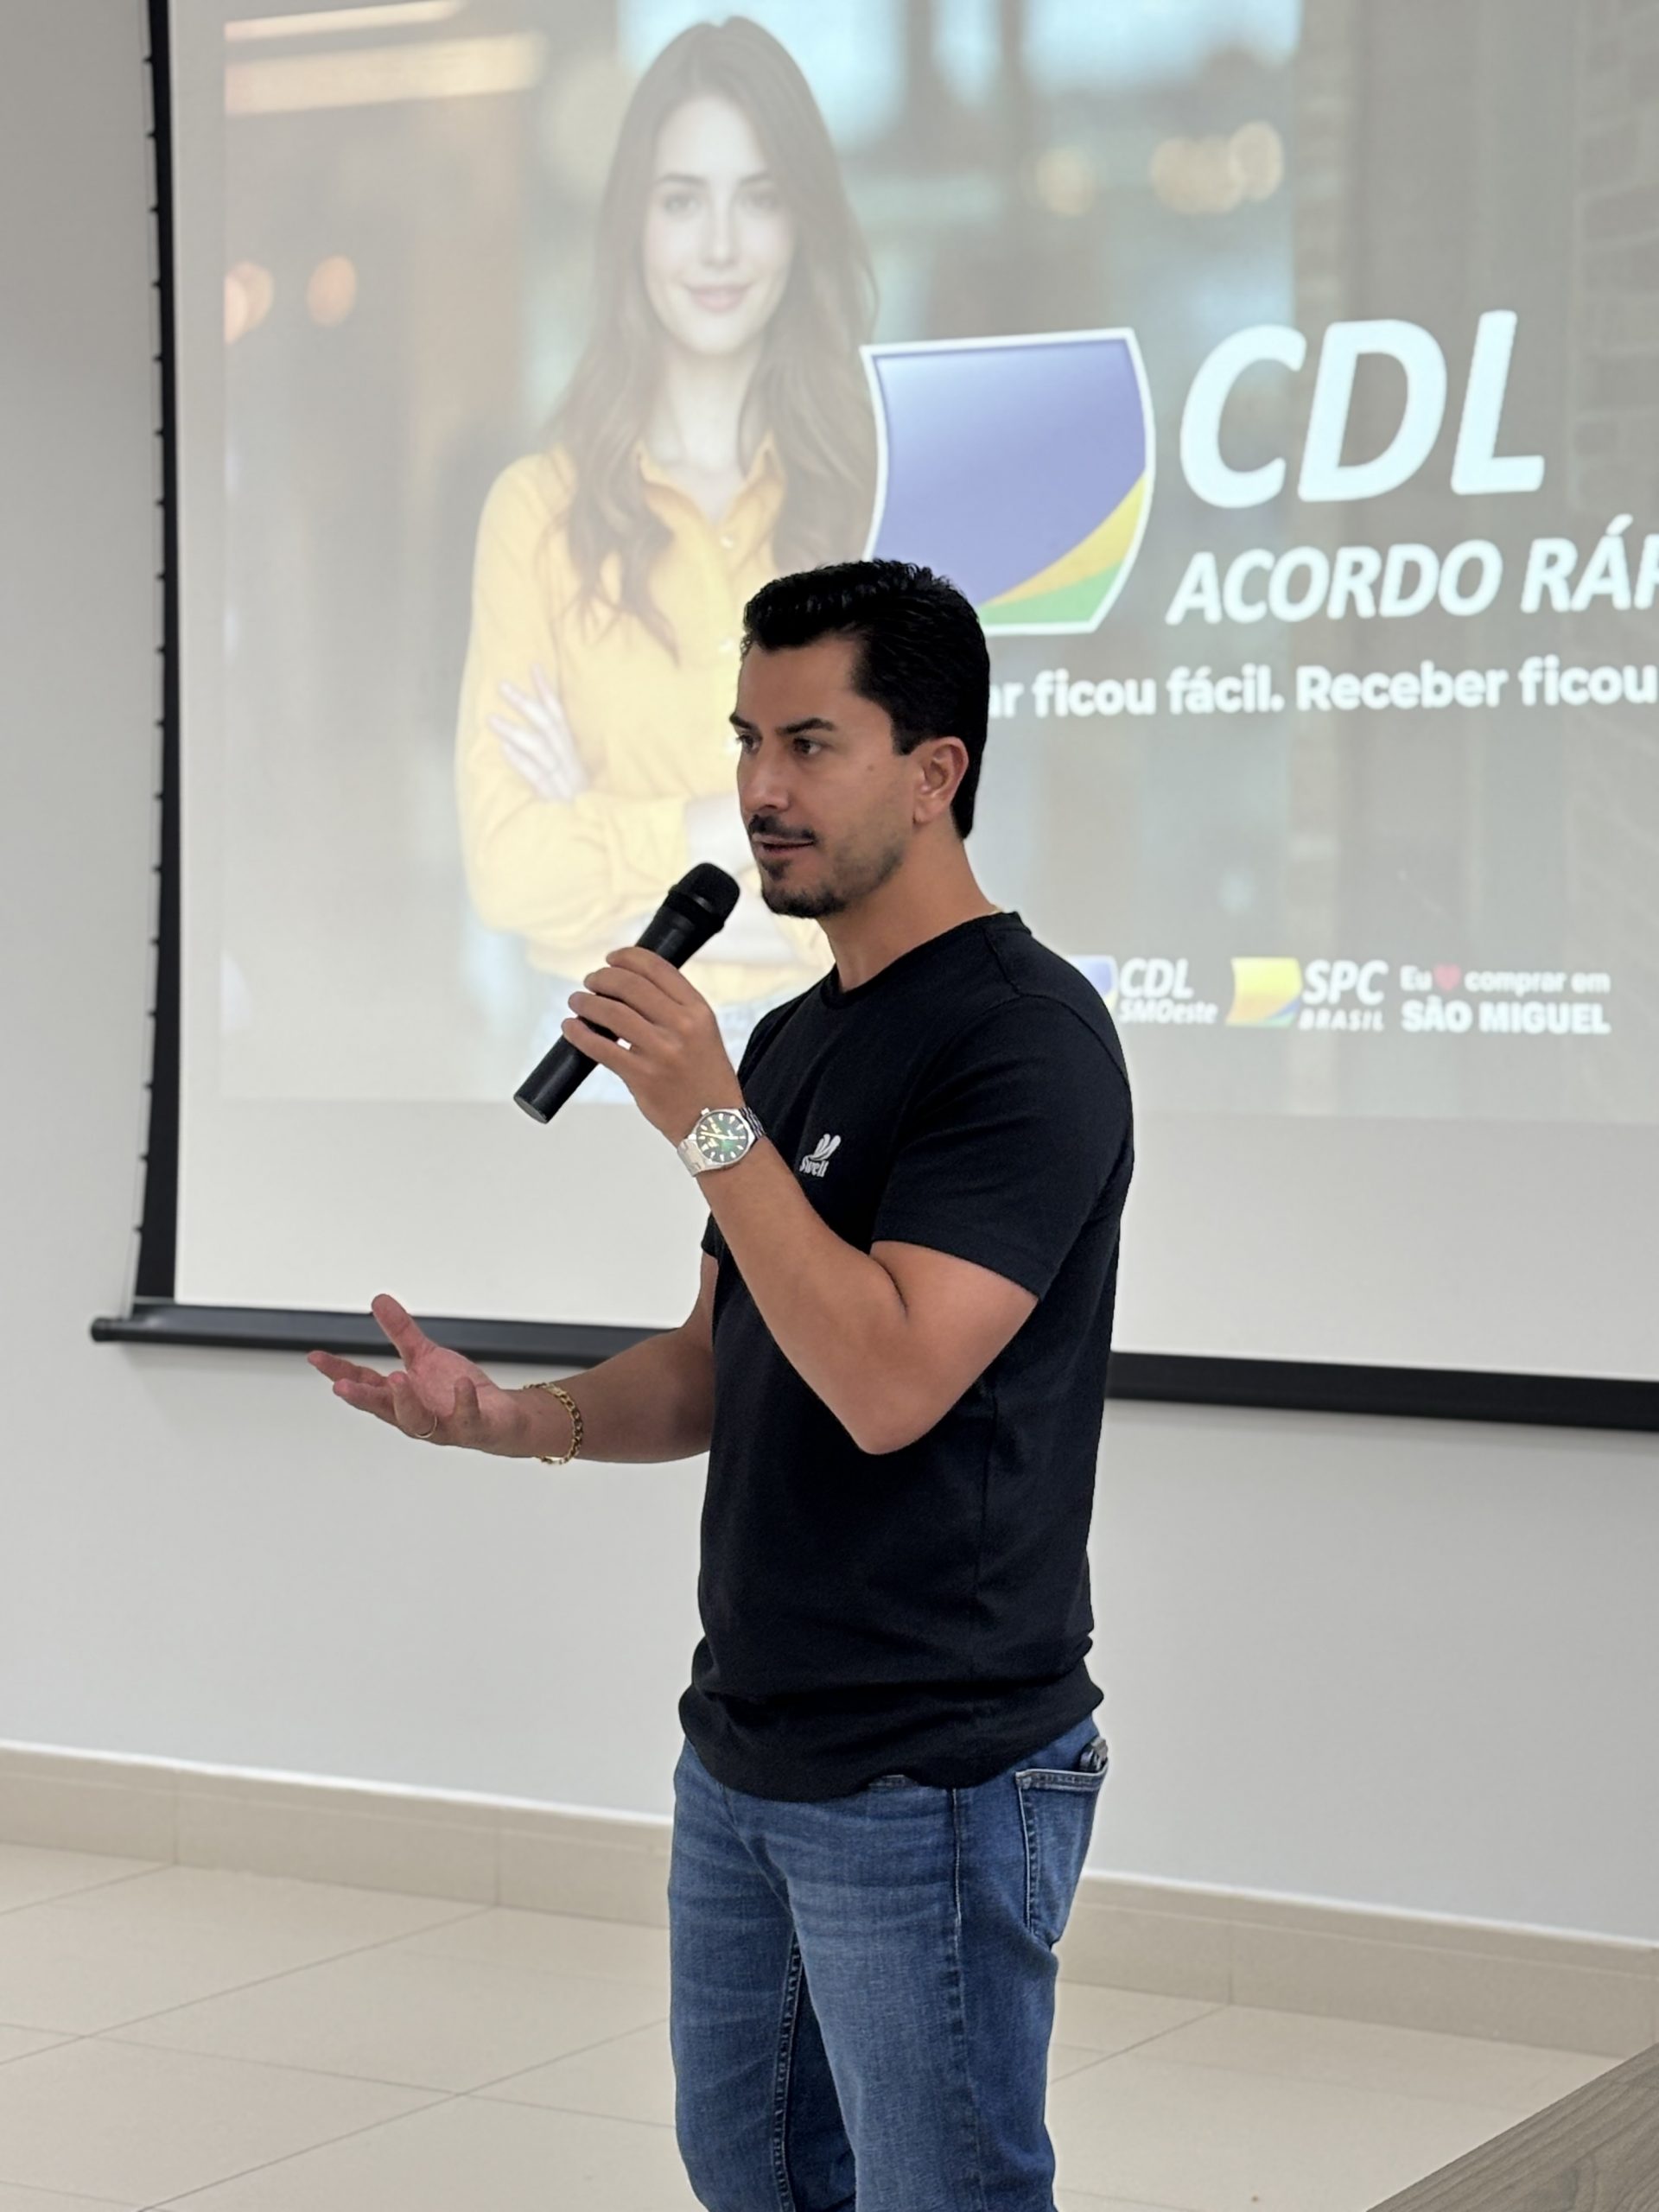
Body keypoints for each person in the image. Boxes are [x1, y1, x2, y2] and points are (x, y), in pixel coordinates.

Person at [315, 559, 1134, 2211]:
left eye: (811, 743)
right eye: (748, 740)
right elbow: (714, 1364)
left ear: (936, 770)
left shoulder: (1023, 1040)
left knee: (941, 2190)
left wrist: (705, 1119)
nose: (761, 789)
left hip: (935, 1766)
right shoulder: (793, 1041)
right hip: (747, 1744)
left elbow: (888, 1382)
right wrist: (517, 1420)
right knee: (750, 2173)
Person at [456, 17, 878, 1088]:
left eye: (760, 197)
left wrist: (616, 850)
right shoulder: (538, 515)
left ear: (803, 223)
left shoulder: (872, 500)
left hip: (832, 1061)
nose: (720, 245)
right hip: (605, 1070)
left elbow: (900, 874)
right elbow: (508, 872)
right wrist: (732, 835)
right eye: (682, 200)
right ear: (632, 226)